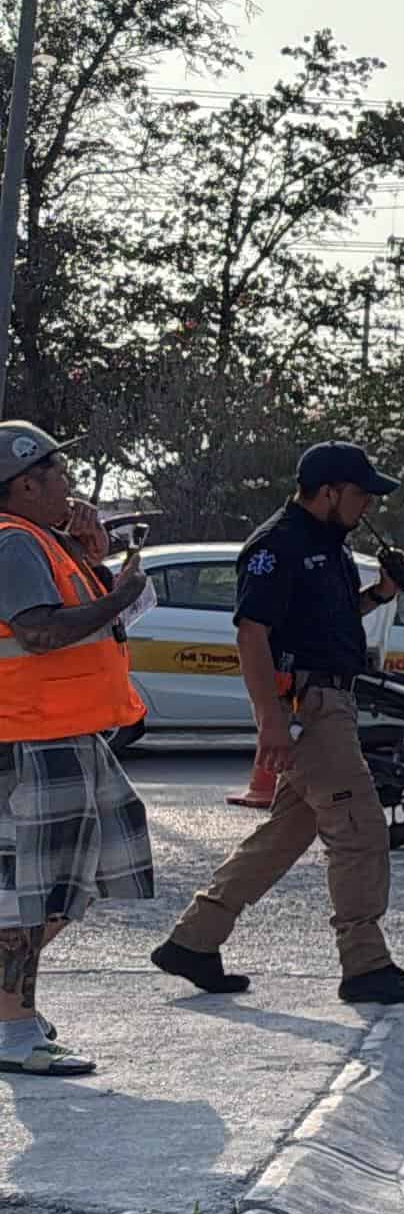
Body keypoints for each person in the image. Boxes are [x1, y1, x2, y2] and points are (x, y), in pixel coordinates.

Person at [151, 444, 404, 1006]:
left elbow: (324, 620)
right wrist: (271, 724)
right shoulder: (276, 546)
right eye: (361, 495)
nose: (367, 507)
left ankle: (194, 939)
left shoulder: (327, 544)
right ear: (329, 492)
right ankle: (365, 966)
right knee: (360, 829)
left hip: (327, 702)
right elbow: (251, 635)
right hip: (309, 707)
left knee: (285, 834)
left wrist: (384, 591)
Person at [0, 424, 153, 1076]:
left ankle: (8, 1008)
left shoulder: (43, 542)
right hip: (32, 734)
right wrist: (117, 591)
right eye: (60, 473)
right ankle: (11, 1029)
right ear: (27, 482)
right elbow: (38, 633)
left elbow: (96, 625)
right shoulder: (13, 543)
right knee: (30, 891)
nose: (71, 484)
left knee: (84, 874)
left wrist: (93, 560)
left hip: (64, 732)